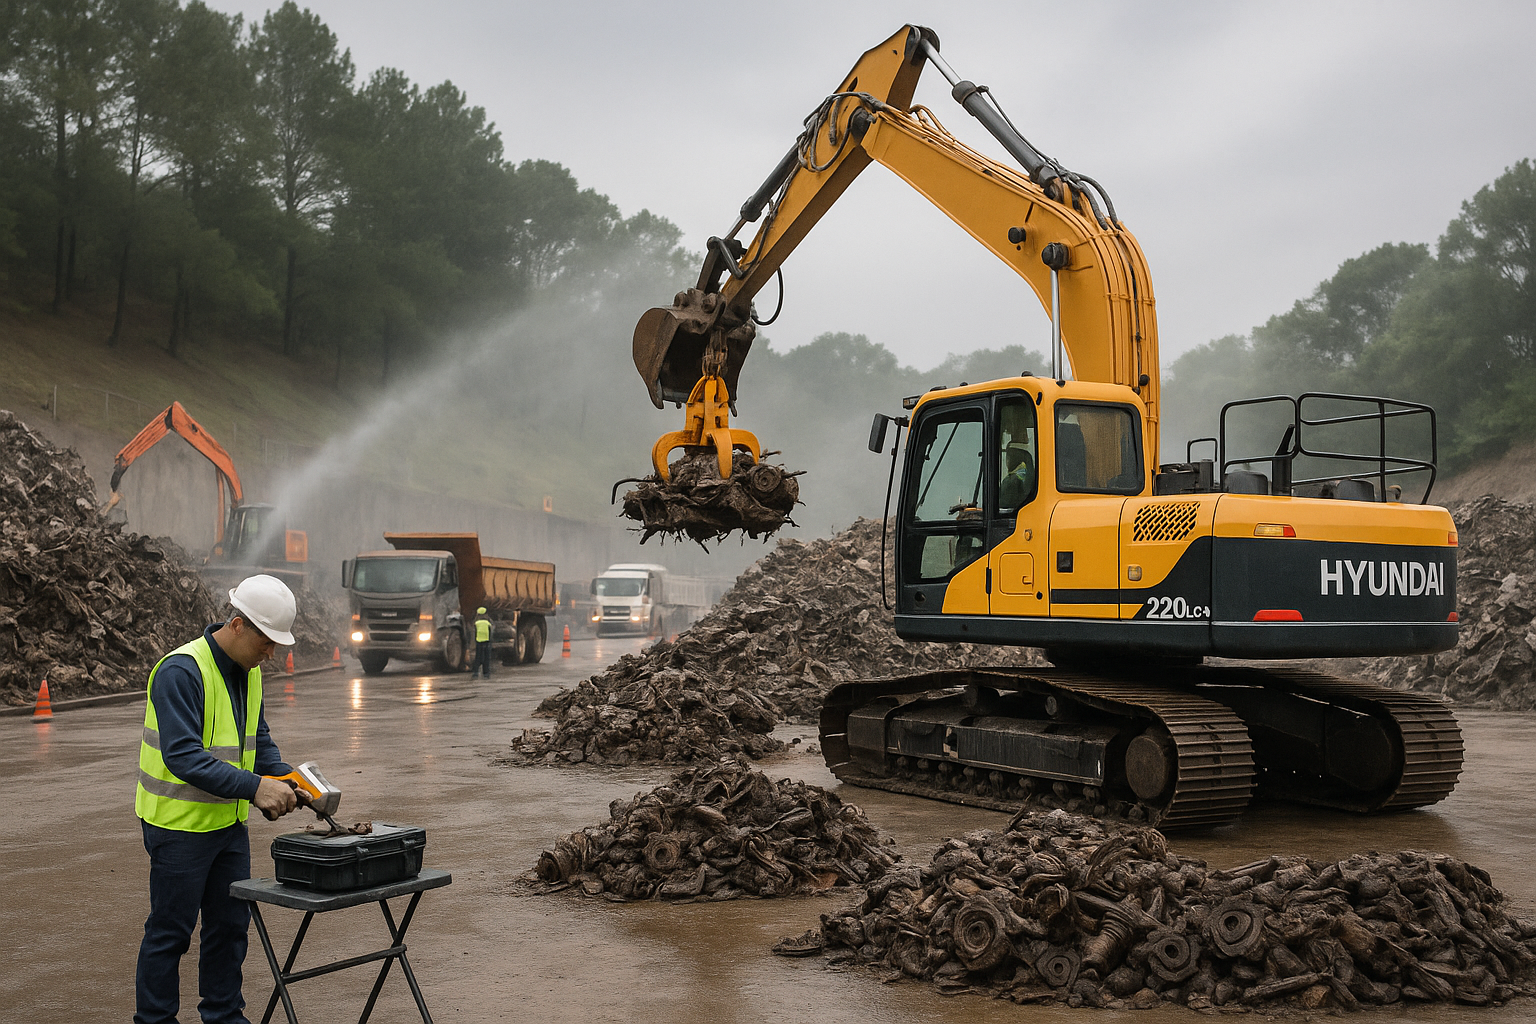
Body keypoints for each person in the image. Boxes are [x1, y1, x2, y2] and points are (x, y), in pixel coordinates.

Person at [134, 574, 302, 1024]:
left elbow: (257, 739)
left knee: (229, 929)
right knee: (170, 933)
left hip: (228, 826)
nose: (272, 654)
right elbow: (183, 756)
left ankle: (224, 1017)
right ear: (237, 624)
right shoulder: (180, 671)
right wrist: (255, 788)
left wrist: (288, 777)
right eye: (267, 642)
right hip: (178, 826)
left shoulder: (250, 671)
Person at [471, 606, 493, 678]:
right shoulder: (488, 622)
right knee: (486, 658)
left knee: (478, 658)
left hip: (478, 642)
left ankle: (475, 673)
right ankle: (486, 674)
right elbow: (491, 631)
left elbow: (473, 632)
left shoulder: (476, 623)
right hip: (486, 642)